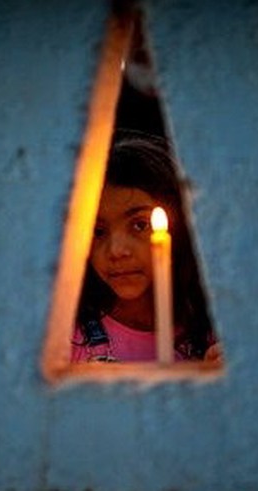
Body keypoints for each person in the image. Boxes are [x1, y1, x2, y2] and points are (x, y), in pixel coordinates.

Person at [71, 131, 215, 362]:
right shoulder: (66, 342)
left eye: (140, 225)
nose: (116, 251)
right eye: (97, 231)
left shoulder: (216, 333)